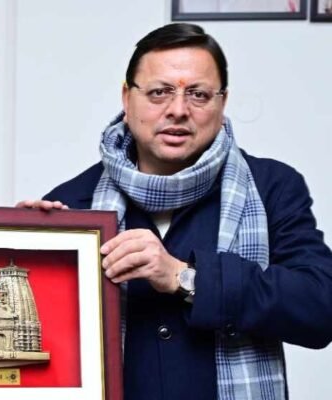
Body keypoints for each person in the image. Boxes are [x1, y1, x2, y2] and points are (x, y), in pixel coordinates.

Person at [20, 23, 332, 400]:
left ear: (222, 103)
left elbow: (319, 309)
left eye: (198, 94)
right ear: (127, 98)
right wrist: (30, 253)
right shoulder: (73, 205)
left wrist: (185, 278)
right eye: (159, 92)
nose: (179, 110)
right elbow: (37, 344)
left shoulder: (272, 187)